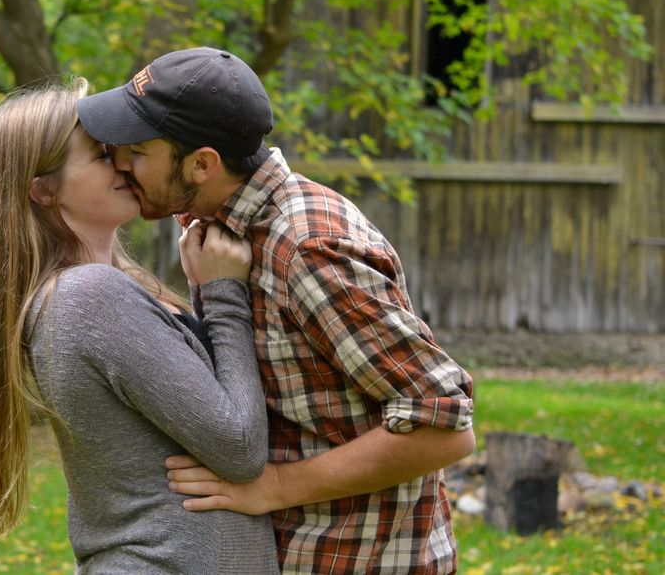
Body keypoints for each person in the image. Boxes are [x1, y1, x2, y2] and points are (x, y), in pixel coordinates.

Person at [76, 47, 476, 574]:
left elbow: (442, 424)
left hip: (360, 560)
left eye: (140, 150)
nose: (120, 161)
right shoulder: (223, 234)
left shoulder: (307, 248)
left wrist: (274, 486)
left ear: (202, 164)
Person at [0, 79, 279, 574]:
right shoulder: (89, 298)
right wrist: (224, 298)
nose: (125, 162)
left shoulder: (111, 291)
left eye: (125, 149)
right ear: (43, 190)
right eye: (101, 155)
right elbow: (239, 447)